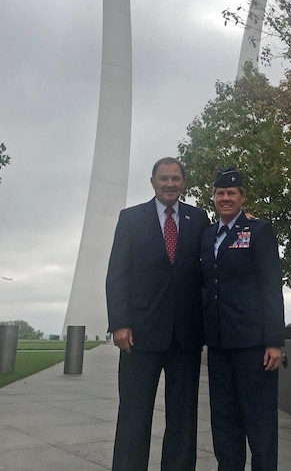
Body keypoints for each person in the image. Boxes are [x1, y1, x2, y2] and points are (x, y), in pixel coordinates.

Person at [106, 157, 210, 471]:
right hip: (139, 334)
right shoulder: (131, 218)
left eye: (175, 178)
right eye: (163, 178)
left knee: (183, 417)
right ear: (152, 182)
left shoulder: (198, 219)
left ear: (183, 183)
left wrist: (243, 222)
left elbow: (208, 267)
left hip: (185, 337)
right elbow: (117, 273)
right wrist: (120, 323)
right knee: (134, 415)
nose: (169, 184)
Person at [201, 168, 285, 471]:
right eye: (220, 193)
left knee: (259, 421)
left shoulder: (259, 230)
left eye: (231, 193)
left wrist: (274, 341)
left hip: (253, 345)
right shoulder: (208, 235)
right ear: (213, 197)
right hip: (220, 345)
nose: (225, 198)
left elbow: (271, 286)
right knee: (224, 421)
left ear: (242, 197)